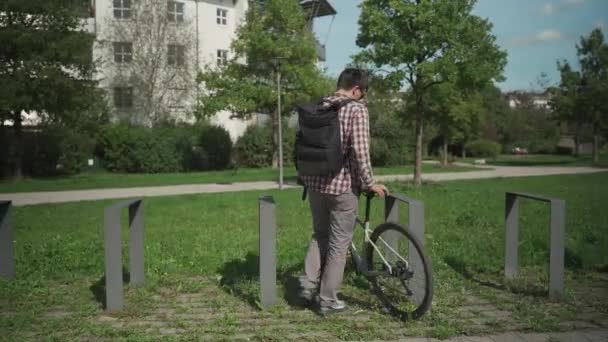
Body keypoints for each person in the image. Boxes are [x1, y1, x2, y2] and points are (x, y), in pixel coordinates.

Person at [298, 68, 388, 315]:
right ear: (357, 89)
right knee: (339, 244)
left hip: (315, 184)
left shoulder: (321, 105)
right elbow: (360, 150)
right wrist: (370, 182)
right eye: (364, 93)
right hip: (341, 188)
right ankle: (328, 301)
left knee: (320, 235)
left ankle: (307, 285)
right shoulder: (356, 109)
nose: (363, 98)